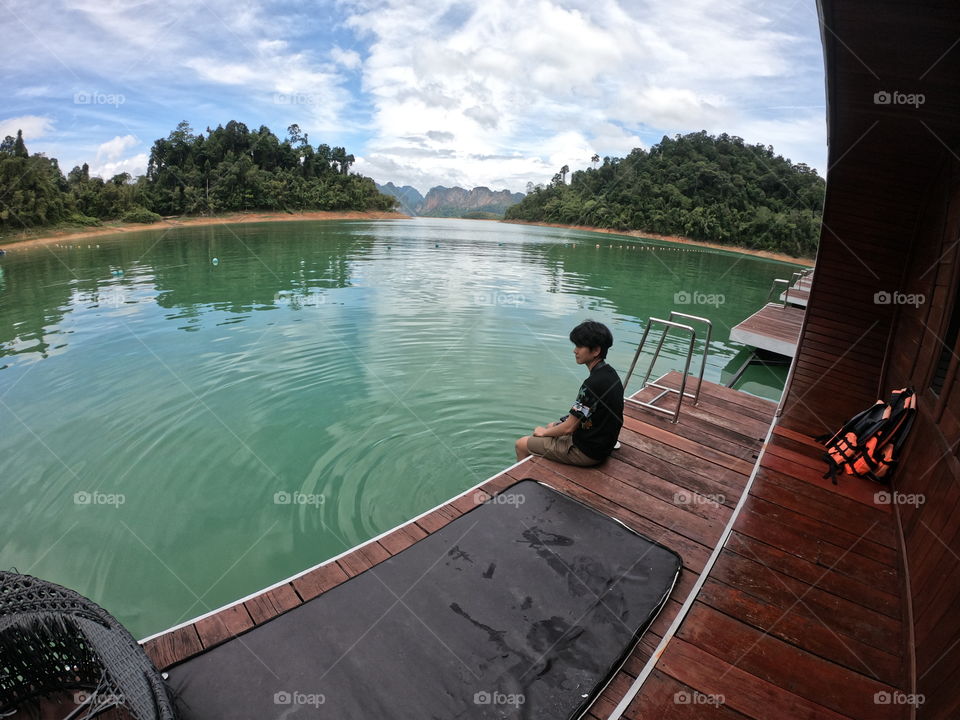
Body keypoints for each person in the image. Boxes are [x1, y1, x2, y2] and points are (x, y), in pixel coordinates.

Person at [515, 320, 624, 466]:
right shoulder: (610, 374)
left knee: (521, 444)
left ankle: (521, 483)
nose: (575, 351)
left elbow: (568, 428)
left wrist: (543, 433)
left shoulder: (592, 384)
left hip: (587, 452)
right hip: (603, 444)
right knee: (551, 425)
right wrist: (550, 429)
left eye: (580, 346)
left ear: (596, 351)